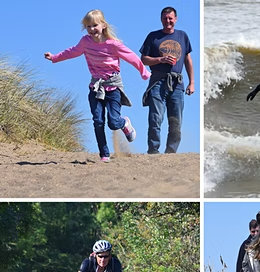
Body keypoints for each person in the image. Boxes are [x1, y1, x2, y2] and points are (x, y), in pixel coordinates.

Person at [45, 9, 150, 162]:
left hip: (113, 87)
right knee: (98, 121)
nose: (91, 29)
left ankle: (124, 123)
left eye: (94, 25)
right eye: (88, 26)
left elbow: (132, 57)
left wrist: (144, 72)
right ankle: (104, 154)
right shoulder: (85, 42)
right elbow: (72, 52)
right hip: (95, 87)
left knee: (113, 122)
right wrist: (55, 57)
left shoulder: (113, 44)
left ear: (103, 25)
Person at [140, 7, 194, 154]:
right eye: (165, 18)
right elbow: (143, 60)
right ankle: (153, 150)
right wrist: (161, 59)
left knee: (175, 121)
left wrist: (192, 82)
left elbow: (188, 59)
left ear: (175, 19)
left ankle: (171, 152)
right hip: (158, 82)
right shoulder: (153, 36)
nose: (168, 21)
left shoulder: (182, 36)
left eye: (170, 18)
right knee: (155, 118)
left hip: (177, 84)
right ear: (161, 19)